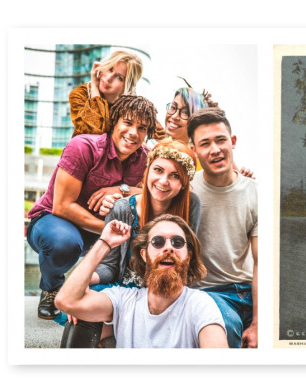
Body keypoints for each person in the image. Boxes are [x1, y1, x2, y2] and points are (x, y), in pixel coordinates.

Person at [58, 139, 201, 348]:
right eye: (158, 170)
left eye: (175, 175)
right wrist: (88, 279)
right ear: (147, 171)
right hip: (124, 288)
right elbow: (110, 265)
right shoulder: (122, 208)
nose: (163, 181)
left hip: (165, 289)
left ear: (183, 183)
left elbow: (187, 261)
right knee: (80, 312)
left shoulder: (191, 205)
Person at [26, 94, 157, 320]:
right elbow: (62, 206)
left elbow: (155, 191)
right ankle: (51, 287)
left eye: (142, 127)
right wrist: (109, 231)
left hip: (102, 230)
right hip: (53, 221)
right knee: (64, 244)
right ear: (114, 122)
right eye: (127, 122)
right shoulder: (83, 147)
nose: (134, 132)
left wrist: (121, 188)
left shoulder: (147, 159)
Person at [55, 215, 228, 348]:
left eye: (177, 242)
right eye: (158, 242)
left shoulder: (200, 305)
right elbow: (66, 300)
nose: (168, 247)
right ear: (144, 255)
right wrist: (104, 243)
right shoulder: (123, 299)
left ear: (188, 257)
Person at [187, 107, 258, 348]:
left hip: (251, 288)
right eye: (205, 144)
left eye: (220, 140)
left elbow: (261, 263)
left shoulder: (255, 192)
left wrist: (258, 322)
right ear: (194, 151)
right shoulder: (187, 192)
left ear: (233, 141)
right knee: (225, 329)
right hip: (211, 293)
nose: (215, 149)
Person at [69, 50, 144, 138]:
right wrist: (95, 88)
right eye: (110, 69)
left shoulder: (131, 108)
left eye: (119, 77)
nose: (108, 78)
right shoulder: (80, 94)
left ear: (127, 85)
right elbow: (93, 132)